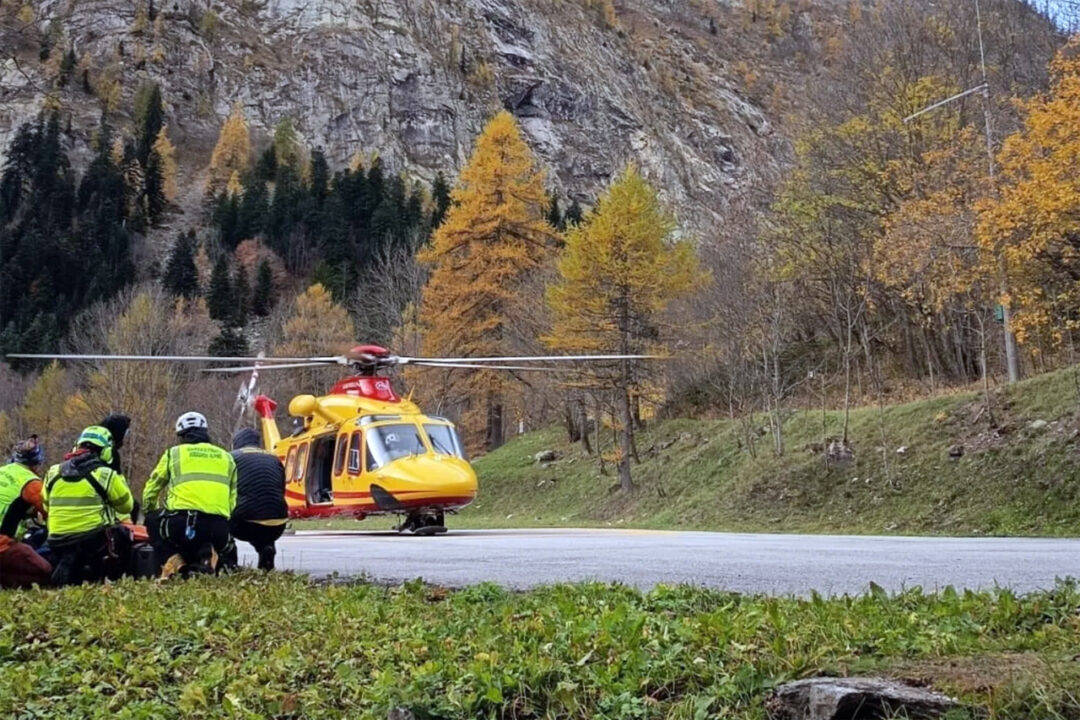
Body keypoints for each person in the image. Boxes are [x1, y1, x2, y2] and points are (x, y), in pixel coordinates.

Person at [143, 412, 236, 575]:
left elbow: (152, 487)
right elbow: (233, 498)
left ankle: (178, 566)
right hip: (218, 528)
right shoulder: (227, 457)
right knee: (212, 537)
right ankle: (206, 557)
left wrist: (151, 509)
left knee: (152, 521)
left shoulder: (173, 454)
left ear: (181, 435)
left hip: (182, 524)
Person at [43, 426, 134, 586]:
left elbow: (45, 505)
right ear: (106, 451)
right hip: (90, 542)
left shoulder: (53, 472)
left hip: (56, 540)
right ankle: (114, 578)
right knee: (123, 534)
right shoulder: (105, 475)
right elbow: (126, 507)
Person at [227, 428, 288, 571]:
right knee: (263, 512)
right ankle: (267, 548)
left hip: (245, 523)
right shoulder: (274, 458)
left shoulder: (231, 457)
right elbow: (281, 489)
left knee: (220, 524)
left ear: (236, 442)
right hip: (278, 523)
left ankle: (229, 562)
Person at [0, 437, 52, 588]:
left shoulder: (2, 470)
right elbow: (51, 511)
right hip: (2, 545)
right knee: (45, 571)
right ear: (36, 463)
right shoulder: (31, 482)